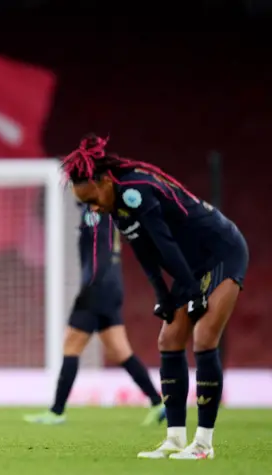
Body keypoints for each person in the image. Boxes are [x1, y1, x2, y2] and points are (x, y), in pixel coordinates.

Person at [63, 134, 248, 460]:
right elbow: (146, 254)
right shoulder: (116, 207)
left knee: (205, 337)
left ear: (105, 180)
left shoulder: (136, 192)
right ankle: (175, 440)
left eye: (92, 198)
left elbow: (166, 246)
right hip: (190, 265)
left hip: (222, 251)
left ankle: (203, 445)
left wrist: (192, 292)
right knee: (169, 339)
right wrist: (163, 294)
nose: (93, 208)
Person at [24, 202, 165, 426]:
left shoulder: (94, 213)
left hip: (97, 288)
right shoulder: (107, 212)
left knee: (71, 345)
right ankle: (158, 403)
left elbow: (98, 251)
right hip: (113, 286)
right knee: (120, 350)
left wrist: (90, 286)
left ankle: (57, 411)